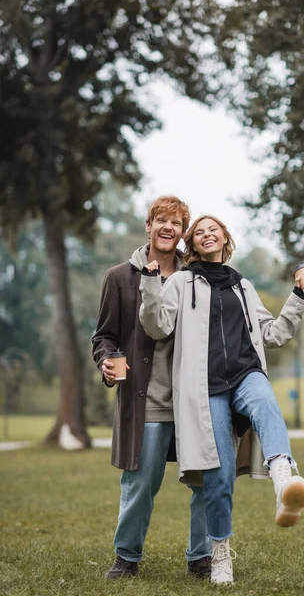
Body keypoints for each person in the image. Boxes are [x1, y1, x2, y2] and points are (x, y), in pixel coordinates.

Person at [139, 215, 304, 585]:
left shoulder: (243, 286)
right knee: (218, 476)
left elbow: (273, 333)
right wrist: (151, 284)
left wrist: (298, 296)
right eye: (198, 232)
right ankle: (219, 557)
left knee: (265, 400)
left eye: (212, 228)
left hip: (245, 373)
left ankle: (284, 479)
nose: (206, 234)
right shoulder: (182, 283)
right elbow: (157, 326)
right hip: (206, 387)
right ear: (194, 245)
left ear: (224, 238)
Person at [92, 197, 211, 580]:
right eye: (161, 220)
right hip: (147, 400)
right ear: (149, 225)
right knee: (141, 483)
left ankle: (201, 557)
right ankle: (126, 557)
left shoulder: (197, 275)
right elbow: (105, 337)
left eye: (176, 223)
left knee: (206, 481)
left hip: (192, 400)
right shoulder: (120, 277)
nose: (167, 228)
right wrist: (108, 364)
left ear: (182, 232)